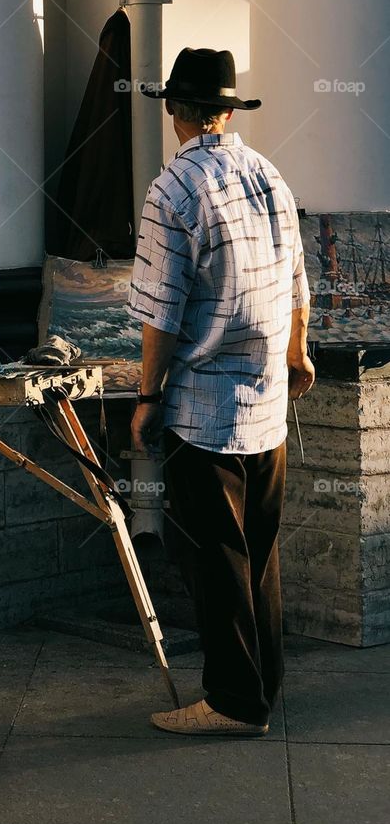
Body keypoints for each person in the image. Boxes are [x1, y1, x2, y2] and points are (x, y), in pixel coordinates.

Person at [128, 47, 315, 737]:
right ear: (229, 111)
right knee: (259, 549)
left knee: (215, 556)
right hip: (267, 400)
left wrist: (147, 400)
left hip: (204, 408)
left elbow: (160, 309)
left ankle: (235, 701)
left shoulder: (172, 191)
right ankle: (263, 682)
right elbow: (297, 276)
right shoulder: (269, 174)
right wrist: (297, 353)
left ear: (175, 111)